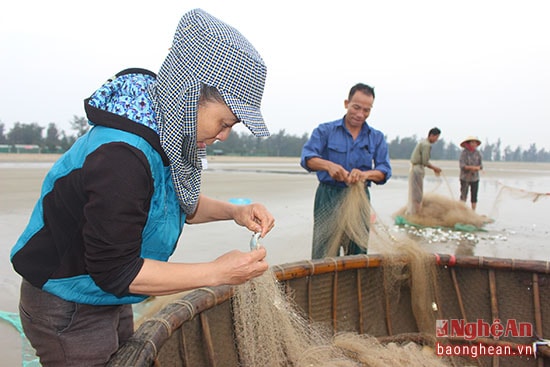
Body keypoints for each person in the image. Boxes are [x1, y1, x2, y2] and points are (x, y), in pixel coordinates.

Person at [10, 9, 275, 366]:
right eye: (225, 121)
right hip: (67, 303)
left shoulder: (161, 129)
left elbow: (179, 203)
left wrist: (235, 212)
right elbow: (117, 270)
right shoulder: (122, 157)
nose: (224, 135)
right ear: (189, 93)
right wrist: (217, 272)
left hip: (107, 295)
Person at [300, 83, 392, 259]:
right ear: (346, 103)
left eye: (366, 110)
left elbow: (384, 170)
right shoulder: (325, 130)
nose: (360, 114)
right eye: (356, 107)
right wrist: (328, 166)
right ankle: (323, 286)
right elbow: (307, 158)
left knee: (357, 251)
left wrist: (365, 174)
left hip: (359, 198)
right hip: (328, 196)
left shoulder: (376, 137)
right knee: (324, 251)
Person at [407, 127, 442, 215]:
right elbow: (425, 161)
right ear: (431, 135)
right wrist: (435, 168)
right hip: (417, 169)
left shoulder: (423, 142)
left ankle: (413, 212)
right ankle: (417, 213)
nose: (436, 140)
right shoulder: (426, 145)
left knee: (414, 191)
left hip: (415, 168)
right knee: (417, 193)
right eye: (436, 137)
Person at [459, 136, 483, 210]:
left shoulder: (478, 153)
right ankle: (461, 211)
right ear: (468, 143)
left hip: (475, 178)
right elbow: (462, 165)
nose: (474, 144)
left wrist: (477, 168)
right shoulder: (464, 153)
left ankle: (473, 212)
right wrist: (471, 168)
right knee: (463, 195)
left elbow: (481, 166)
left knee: (474, 196)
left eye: (475, 142)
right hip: (465, 177)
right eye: (472, 142)